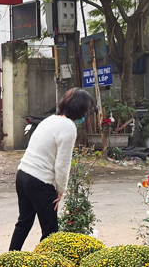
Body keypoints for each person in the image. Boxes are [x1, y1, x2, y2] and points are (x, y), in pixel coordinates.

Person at [8, 88, 94, 251]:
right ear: (80, 109)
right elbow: (62, 164)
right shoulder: (69, 127)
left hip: (23, 175)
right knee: (50, 231)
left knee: (24, 223)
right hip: (39, 181)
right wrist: (60, 190)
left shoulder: (49, 120)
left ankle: (8, 260)